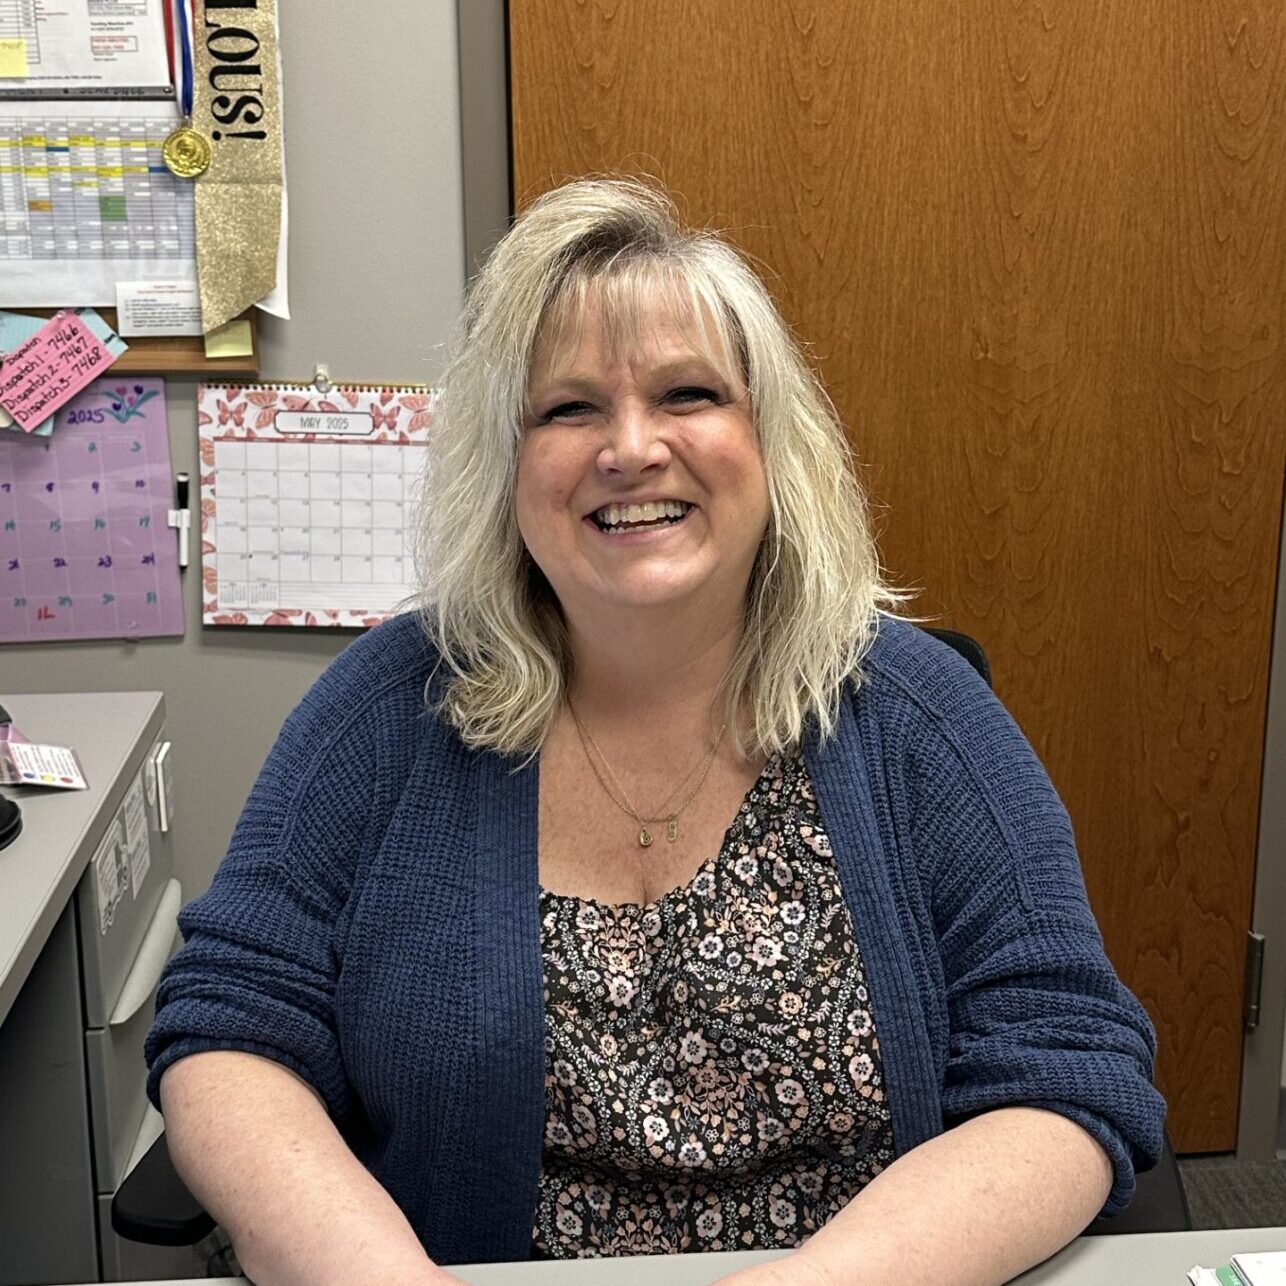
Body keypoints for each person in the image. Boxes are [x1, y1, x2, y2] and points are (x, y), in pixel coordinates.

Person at [146, 178, 1165, 1286]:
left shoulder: (919, 715)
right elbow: (229, 1029)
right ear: (507, 465)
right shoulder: (388, 708)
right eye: (568, 408)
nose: (629, 448)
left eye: (687, 393)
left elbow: (1067, 1065)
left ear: (770, 442)